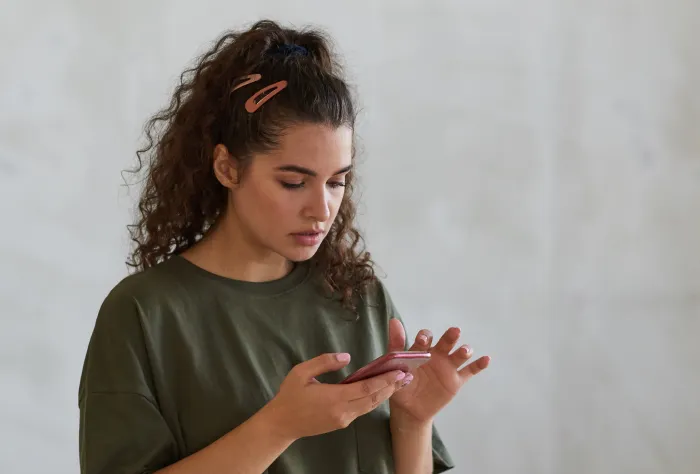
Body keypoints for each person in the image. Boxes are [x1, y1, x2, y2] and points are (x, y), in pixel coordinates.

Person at [76, 19, 490, 474]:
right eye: (293, 182)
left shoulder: (359, 298)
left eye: (337, 182)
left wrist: (413, 421)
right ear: (227, 168)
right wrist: (279, 426)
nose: (321, 209)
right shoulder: (143, 313)